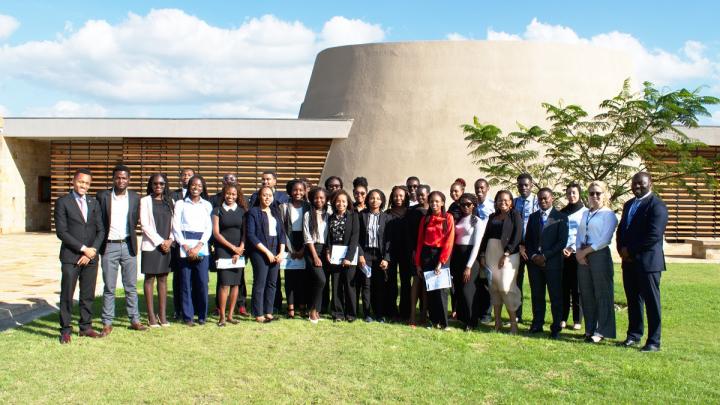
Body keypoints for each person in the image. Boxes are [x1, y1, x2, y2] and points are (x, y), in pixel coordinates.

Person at [617, 172, 669, 352]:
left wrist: (630, 251)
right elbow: (622, 229)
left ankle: (654, 341)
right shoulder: (629, 204)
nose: (637, 186)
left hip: (648, 264)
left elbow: (654, 235)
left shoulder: (657, 206)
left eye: (641, 183)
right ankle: (634, 335)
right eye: (634, 183)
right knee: (633, 300)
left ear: (651, 184)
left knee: (651, 303)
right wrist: (621, 249)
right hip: (629, 263)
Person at [55, 168, 106, 343]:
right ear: (74, 181)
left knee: (87, 294)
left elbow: (101, 230)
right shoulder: (63, 202)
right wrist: (83, 248)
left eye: (87, 183)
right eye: (81, 182)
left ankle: (85, 327)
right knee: (67, 294)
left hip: (91, 257)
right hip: (71, 257)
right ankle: (66, 330)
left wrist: (91, 252)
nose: (84, 185)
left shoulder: (94, 202)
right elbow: (62, 232)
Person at [96, 164, 146, 334]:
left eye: (124, 178)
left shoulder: (134, 197)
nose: (121, 180)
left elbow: (136, 220)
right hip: (109, 246)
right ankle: (107, 322)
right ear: (113, 179)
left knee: (130, 286)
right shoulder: (102, 196)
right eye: (118, 177)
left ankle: (135, 319)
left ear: (129, 180)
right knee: (109, 286)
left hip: (128, 245)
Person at [575, 180, 618, 343]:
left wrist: (585, 251)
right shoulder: (586, 213)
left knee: (602, 294)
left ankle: (602, 330)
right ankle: (590, 328)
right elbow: (580, 234)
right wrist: (579, 252)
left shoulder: (609, 214)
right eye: (591, 193)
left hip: (598, 255)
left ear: (605, 194)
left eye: (598, 193)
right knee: (586, 294)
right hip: (583, 256)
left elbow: (604, 239)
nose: (594, 196)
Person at [523, 188, 569, 339]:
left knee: (555, 296)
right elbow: (528, 240)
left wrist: (545, 256)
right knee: (537, 295)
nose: (543, 201)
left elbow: (562, 242)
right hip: (535, 263)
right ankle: (537, 323)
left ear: (552, 198)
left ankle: (556, 327)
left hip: (553, 263)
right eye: (540, 199)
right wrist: (534, 255)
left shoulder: (561, 217)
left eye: (545, 198)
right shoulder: (533, 217)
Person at [479, 190, 523, 334]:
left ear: (511, 202)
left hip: (509, 255)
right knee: (494, 288)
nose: (502, 202)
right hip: (491, 253)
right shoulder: (492, 216)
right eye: (499, 200)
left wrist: (507, 252)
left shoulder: (515, 215)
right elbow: (486, 237)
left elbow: (517, 234)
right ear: (496, 202)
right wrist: (483, 255)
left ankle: (513, 324)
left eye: (506, 200)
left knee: (506, 287)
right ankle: (497, 323)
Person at [172, 175, 213, 326]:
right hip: (185, 247)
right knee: (185, 283)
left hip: (201, 247)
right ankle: (188, 316)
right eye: (193, 185)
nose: (196, 188)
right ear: (189, 187)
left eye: (200, 186)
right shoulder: (180, 204)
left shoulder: (207, 205)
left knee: (202, 282)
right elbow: (176, 226)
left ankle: (202, 315)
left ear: (203, 188)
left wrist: (198, 246)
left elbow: (208, 228)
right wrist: (185, 246)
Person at [414, 191, 455, 330]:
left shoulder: (448, 218)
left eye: (437, 201)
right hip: (426, 255)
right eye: (432, 201)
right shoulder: (425, 219)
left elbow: (449, 241)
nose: (434, 204)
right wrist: (418, 263)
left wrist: (441, 262)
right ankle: (434, 321)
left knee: (441, 290)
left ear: (442, 203)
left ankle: (444, 323)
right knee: (430, 289)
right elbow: (419, 242)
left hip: (442, 255)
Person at [247, 186, 287, 323]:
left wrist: (281, 252)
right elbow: (251, 235)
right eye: (264, 195)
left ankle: (268, 312)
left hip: (276, 250)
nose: (267, 197)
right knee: (260, 282)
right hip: (260, 252)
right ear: (259, 196)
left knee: (272, 283)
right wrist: (267, 252)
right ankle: (258, 313)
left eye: (270, 195)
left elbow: (282, 234)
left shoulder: (275, 212)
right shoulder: (253, 212)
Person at [140, 173, 174, 328]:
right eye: (155, 184)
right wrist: (161, 241)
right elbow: (145, 225)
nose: (158, 186)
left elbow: (174, 225)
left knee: (163, 279)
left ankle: (162, 315)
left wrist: (170, 240)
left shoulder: (170, 201)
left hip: (166, 246)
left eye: (161, 184)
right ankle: (151, 316)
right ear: (151, 185)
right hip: (151, 246)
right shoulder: (145, 201)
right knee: (149, 279)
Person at [211, 184, 248, 326]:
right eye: (228, 194)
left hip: (239, 251)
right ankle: (222, 317)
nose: (230, 196)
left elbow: (245, 233)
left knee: (236, 284)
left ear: (237, 195)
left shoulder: (243, 211)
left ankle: (231, 315)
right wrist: (233, 248)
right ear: (223, 194)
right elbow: (216, 233)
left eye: (233, 194)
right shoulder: (217, 210)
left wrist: (240, 249)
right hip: (223, 250)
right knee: (224, 284)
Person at [450, 193, 483, 331]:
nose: (465, 207)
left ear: (473, 205)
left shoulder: (477, 221)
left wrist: (469, 266)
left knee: (468, 290)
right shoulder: (458, 219)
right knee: (458, 289)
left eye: (468, 204)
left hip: (470, 258)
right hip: (457, 256)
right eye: (462, 204)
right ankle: (463, 318)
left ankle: (472, 321)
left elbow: (477, 245)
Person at [278, 180, 311, 318]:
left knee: (303, 280)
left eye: (301, 190)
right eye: (295, 190)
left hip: (305, 242)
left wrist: (303, 249)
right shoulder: (283, 207)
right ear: (290, 191)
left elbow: (311, 229)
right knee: (290, 279)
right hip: (288, 243)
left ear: (305, 191)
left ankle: (302, 307)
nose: (298, 193)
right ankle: (290, 308)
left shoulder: (309, 207)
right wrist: (291, 250)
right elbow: (282, 229)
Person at [326, 189, 360, 322]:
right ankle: (338, 314)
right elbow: (328, 237)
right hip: (335, 255)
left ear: (348, 203)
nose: (341, 204)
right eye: (338, 201)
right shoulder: (331, 217)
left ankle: (351, 314)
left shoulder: (353, 216)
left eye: (343, 201)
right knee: (336, 284)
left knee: (349, 285)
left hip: (349, 255)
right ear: (334, 203)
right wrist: (328, 250)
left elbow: (355, 238)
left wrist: (348, 258)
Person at [358, 189, 391, 322]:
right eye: (372, 198)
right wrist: (360, 255)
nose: (374, 200)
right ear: (367, 199)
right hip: (365, 254)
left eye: (378, 198)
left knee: (379, 285)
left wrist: (387, 258)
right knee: (366, 285)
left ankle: (379, 313)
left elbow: (389, 240)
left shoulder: (387, 218)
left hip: (380, 255)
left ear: (382, 201)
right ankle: (367, 313)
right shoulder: (361, 216)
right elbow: (357, 238)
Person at [559, 182, 587, 330]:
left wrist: (573, 248)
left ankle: (577, 319)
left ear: (579, 194)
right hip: (563, 255)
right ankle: (563, 317)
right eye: (569, 193)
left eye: (574, 192)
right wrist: (562, 248)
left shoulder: (585, 212)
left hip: (578, 254)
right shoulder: (562, 212)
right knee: (564, 287)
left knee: (577, 289)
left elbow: (584, 234)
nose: (571, 195)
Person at [514, 173, 539, 323]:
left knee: (535, 283)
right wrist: (519, 246)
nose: (523, 187)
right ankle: (517, 315)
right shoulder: (515, 202)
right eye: (520, 185)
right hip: (517, 248)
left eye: (526, 185)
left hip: (533, 248)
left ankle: (537, 317)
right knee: (517, 283)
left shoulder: (538, 201)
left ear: (531, 185)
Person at [171, 167, 195, 320]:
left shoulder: (201, 196)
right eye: (184, 175)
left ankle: (193, 306)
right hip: (179, 242)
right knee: (179, 278)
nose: (186, 177)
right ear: (181, 178)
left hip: (195, 244)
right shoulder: (173, 195)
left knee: (194, 278)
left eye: (189, 175)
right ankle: (178, 308)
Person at [303, 187, 330, 324]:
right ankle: (312, 310)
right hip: (312, 250)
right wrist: (315, 256)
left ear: (326, 199)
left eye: (322, 198)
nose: (319, 200)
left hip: (326, 250)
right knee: (321, 280)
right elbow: (307, 237)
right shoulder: (308, 214)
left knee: (319, 282)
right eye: (316, 198)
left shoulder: (329, 214)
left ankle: (317, 310)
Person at [386, 185, 411, 321]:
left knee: (406, 282)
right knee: (391, 282)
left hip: (406, 252)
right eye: (395, 195)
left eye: (401, 195)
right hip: (391, 252)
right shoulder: (387, 213)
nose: (398, 198)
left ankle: (405, 311)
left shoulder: (411, 213)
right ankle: (391, 310)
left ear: (406, 197)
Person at [407, 184, 430, 325]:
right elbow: (409, 234)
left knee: (426, 283)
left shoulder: (433, 212)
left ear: (428, 194)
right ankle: (412, 315)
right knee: (416, 281)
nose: (420, 197)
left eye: (423, 194)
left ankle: (424, 314)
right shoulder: (413, 212)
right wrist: (413, 250)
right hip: (416, 251)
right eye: (418, 194)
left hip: (429, 252)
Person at [474, 178, 494, 323]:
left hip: (488, 247)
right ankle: (477, 310)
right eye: (477, 188)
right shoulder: (472, 205)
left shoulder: (493, 206)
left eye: (482, 188)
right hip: (474, 247)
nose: (479, 191)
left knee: (487, 280)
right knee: (477, 281)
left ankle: (487, 314)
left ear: (487, 188)